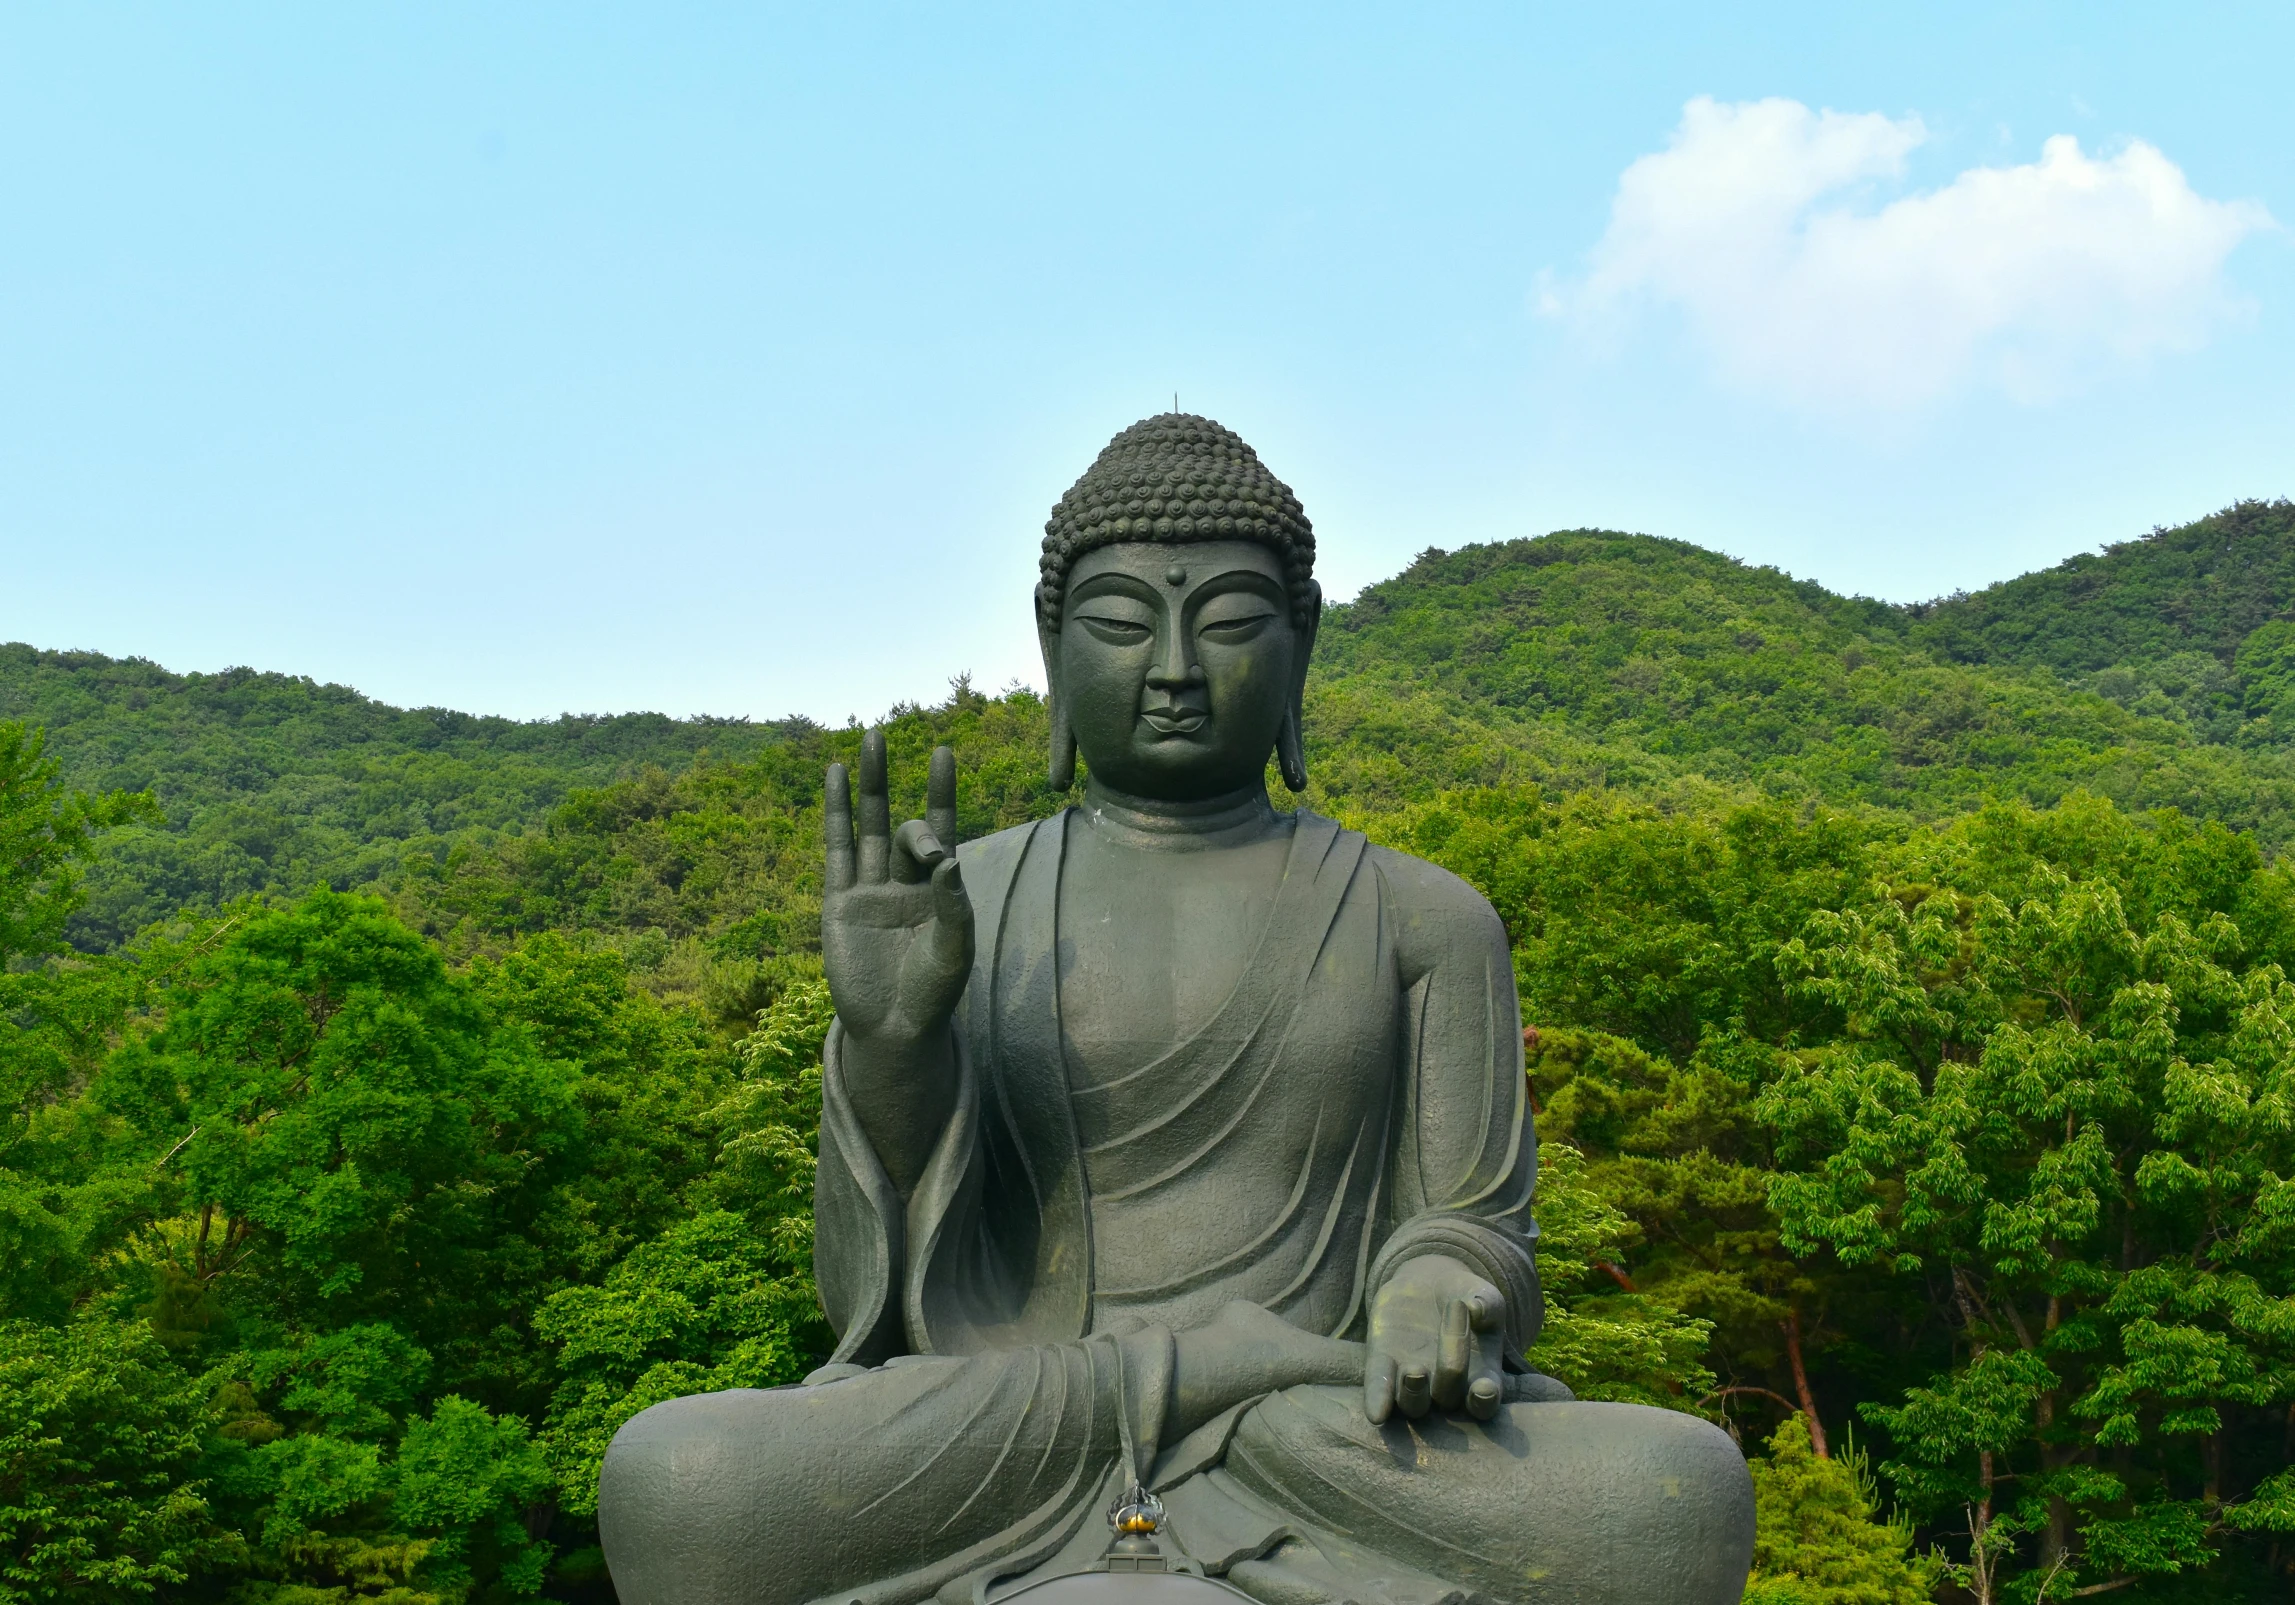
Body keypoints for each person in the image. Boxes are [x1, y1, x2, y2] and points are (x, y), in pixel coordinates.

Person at [598, 416, 1754, 1605]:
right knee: (681, 1476)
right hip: (1032, 1415)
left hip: (1312, 1423)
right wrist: (894, 1048)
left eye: (1231, 622)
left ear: (1300, 646)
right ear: (1052, 649)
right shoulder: (964, 897)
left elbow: (1475, 1225)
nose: (1173, 670)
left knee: (1670, 1497)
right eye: (1117, 625)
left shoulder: (1423, 916)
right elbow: (874, 1305)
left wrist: (1434, 1284)